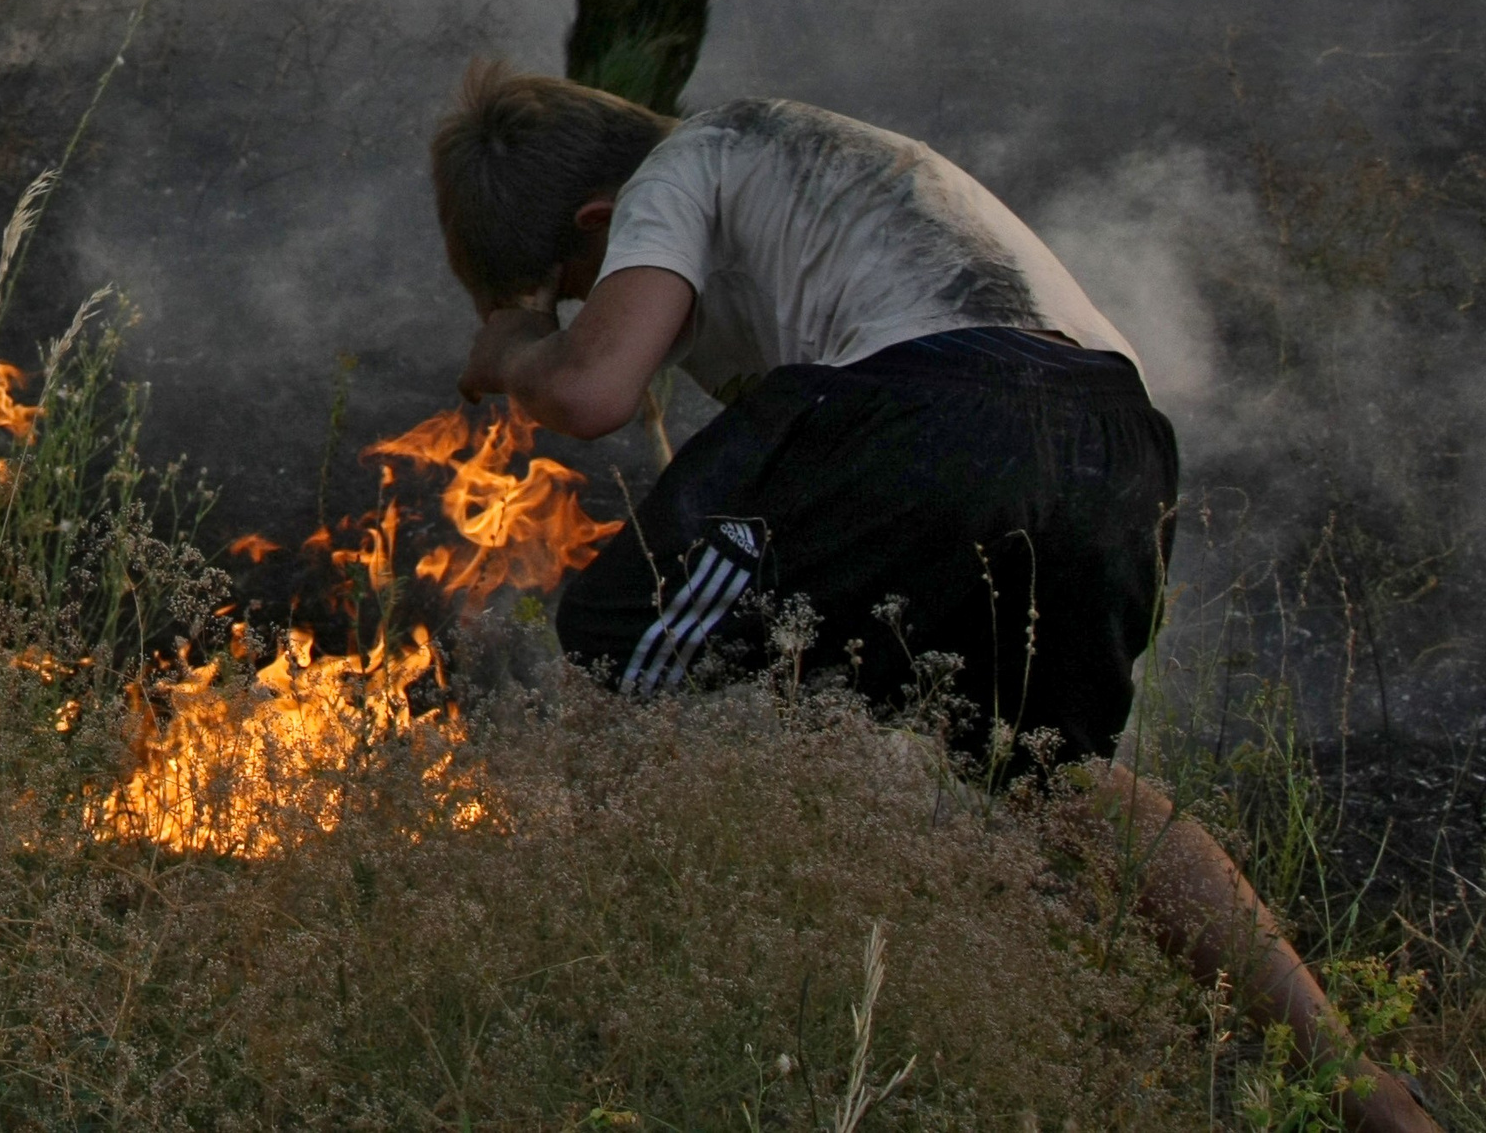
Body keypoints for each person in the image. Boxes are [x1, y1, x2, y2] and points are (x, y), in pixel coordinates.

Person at [431, 64, 1440, 1133]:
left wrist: (515, 346)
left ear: (599, 217)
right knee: (1052, 770)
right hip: (1111, 440)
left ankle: (613, 1020)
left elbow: (591, 387)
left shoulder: (684, 165)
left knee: (612, 644)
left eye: (592, 277)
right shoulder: (811, 176)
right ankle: (1358, 1087)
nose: (614, 294)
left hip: (929, 409)